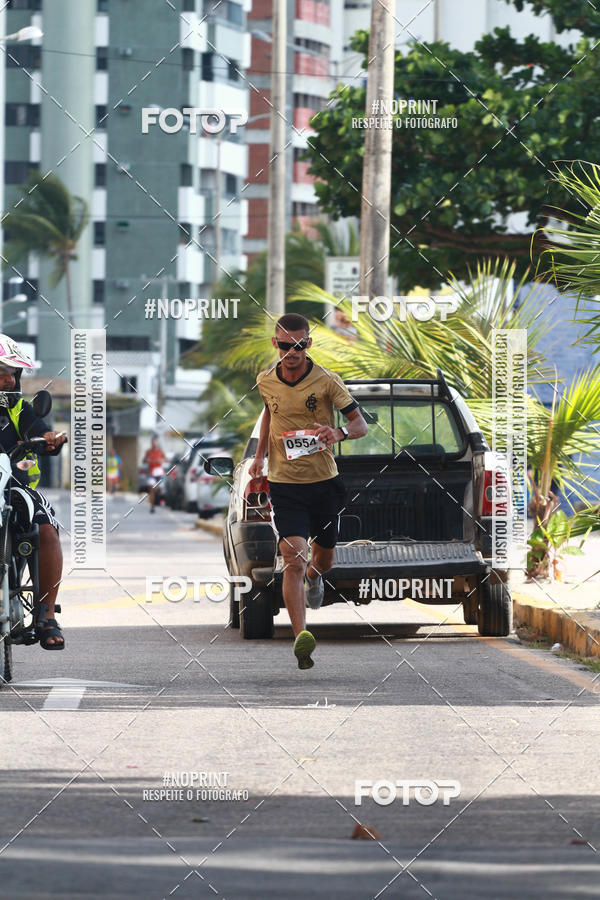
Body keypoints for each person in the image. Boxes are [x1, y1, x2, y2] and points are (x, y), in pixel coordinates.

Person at [250, 313, 368, 670]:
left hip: (324, 484)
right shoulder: (265, 381)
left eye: (299, 345)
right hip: (285, 485)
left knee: (323, 559)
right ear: (276, 345)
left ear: (308, 344)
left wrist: (339, 434)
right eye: (285, 346)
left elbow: (359, 423)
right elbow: (270, 413)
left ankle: (317, 578)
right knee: (294, 557)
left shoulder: (327, 381)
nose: (292, 352)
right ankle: (302, 636)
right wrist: (259, 457)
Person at [0, 335, 67, 649]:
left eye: (13, 372)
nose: (9, 379)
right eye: (2, 371)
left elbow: (38, 430)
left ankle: (46, 615)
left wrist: (50, 437)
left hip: (14, 490)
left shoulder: (18, 409)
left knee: (47, 530)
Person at [143, 436, 166, 513]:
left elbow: (166, 459)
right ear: (151, 443)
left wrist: (161, 460)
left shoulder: (160, 451)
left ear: (157, 443)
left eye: (155, 442)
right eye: (152, 442)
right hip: (151, 473)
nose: (153, 443)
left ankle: (161, 499)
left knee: (159, 489)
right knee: (151, 490)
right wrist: (147, 460)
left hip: (160, 473)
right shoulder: (148, 452)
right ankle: (152, 507)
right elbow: (143, 460)